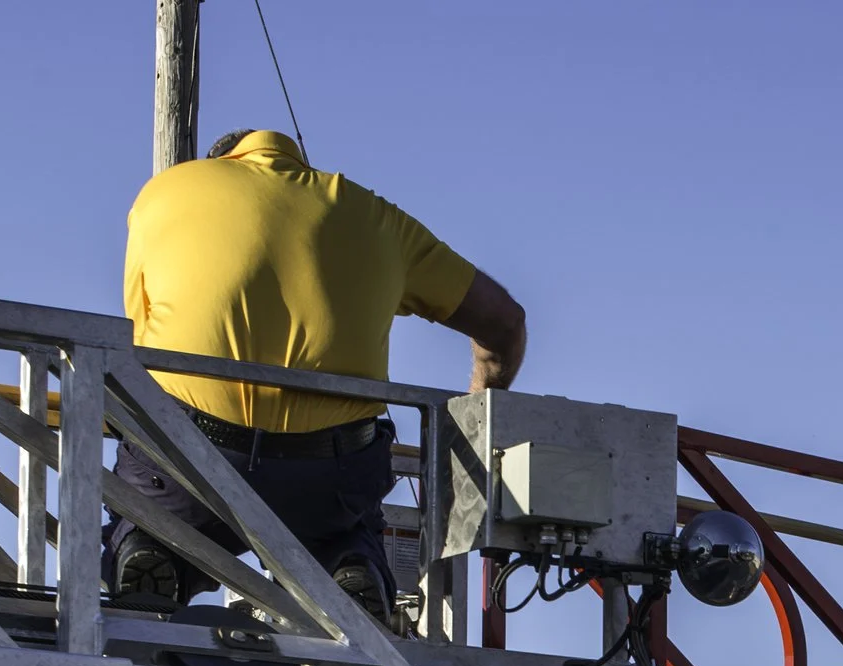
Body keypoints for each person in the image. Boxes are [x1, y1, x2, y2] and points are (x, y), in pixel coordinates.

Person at [110, 129, 529, 622]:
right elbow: (505, 321)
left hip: (189, 458)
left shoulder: (165, 192)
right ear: (298, 169)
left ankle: (152, 546)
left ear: (221, 163)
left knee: (148, 494)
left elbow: (143, 338)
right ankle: (349, 565)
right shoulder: (375, 217)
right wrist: (477, 410)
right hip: (327, 474)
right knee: (344, 525)